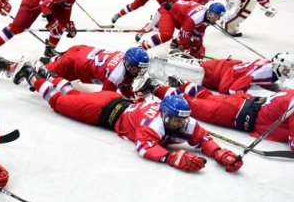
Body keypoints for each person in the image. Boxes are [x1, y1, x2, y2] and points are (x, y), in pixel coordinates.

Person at [14, 72, 242, 173]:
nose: (180, 124)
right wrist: (170, 156)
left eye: (182, 120)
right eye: (175, 119)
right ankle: (34, 77)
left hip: (113, 102)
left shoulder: (183, 121)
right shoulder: (154, 125)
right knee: (59, 102)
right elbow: (144, 146)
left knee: (73, 96)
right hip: (102, 112)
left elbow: (204, 139)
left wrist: (221, 154)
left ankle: (49, 75)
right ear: (164, 115)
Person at [150, 80, 294, 151]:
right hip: (235, 113)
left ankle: (184, 85)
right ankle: (154, 88)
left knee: (207, 96)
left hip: (245, 100)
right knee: (191, 105)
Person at [0, 45, 149, 100]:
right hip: (74, 64)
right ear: (128, 64)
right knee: (38, 77)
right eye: (136, 67)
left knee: (48, 70)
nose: (138, 71)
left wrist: (133, 96)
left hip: (81, 53)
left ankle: (51, 60)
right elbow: (106, 98)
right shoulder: (117, 74)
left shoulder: (124, 63)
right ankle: (4, 64)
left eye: (140, 68)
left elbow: (126, 86)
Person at [135, 0, 233, 42]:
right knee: (185, 21)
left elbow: (200, 5)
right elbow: (195, 5)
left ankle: (177, 39)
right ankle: (177, 40)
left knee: (167, 19)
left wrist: (210, 17)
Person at [139, 1, 226, 59]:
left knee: (188, 33)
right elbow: (185, 35)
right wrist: (189, 49)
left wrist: (199, 47)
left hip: (180, 16)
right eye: (217, 16)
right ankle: (142, 48)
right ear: (211, 13)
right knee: (166, 35)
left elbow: (198, 33)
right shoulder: (195, 17)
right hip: (168, 12)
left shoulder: (207, 17)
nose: (218, 19)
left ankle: (175, 42)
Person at [198, 52, 293, 94]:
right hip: (214, 74)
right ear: (279, 65)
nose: (289, 72)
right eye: (287, 69)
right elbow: (233, 90)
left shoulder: (270, 69)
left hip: (224, 69)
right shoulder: (263, 72)